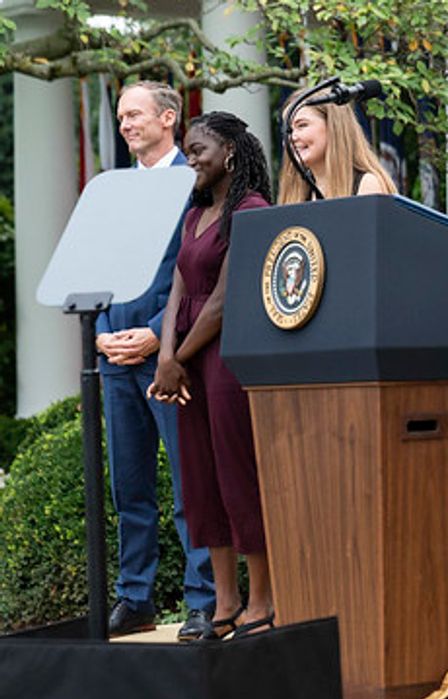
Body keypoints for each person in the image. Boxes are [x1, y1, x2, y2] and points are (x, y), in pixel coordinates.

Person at [149, 111, 274, 640]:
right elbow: (180, 283)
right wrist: (166, 355)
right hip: (186, 356)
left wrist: (181, 356)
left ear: (228, 153)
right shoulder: (195, 213)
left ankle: (264, 599)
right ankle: (225, 602)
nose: (190, 158)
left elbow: (224, 299)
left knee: (237, 473)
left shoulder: (251, 209)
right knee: (200, 479)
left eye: (197, 149)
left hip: (227, 354)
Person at [98, 80, 215, 640]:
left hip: (170, 355)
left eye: (135, 114)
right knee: (129, 487)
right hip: (114, 357)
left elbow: (195, 273)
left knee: (188, 483)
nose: (125, 123)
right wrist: (102, 332)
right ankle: (135, 597)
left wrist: (153, 336)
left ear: (169, 118)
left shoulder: (194, 184)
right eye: (121, 116)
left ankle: (205, 599)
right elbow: (98, 266)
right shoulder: (113, 190)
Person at [277, 90, 397, 203]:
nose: (292, 137)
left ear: (333, 127)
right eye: (288, 130)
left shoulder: (367, 184)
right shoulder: (297, 193)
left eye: (302, 125)